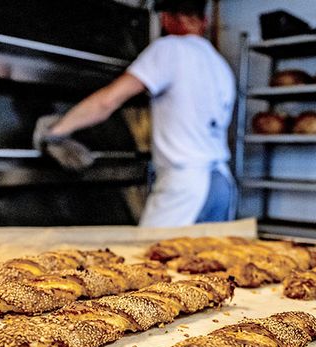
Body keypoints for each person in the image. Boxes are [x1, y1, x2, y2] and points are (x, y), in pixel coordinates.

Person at [36, 0, 237, 227]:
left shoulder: (170, 48)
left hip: (186, 183)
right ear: (204, 21)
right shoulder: (221, 65)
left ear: (167, 19)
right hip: (221, 184)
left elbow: (108, 100)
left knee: (146, 258)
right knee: (212, 260)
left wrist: (57, 131)